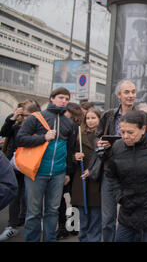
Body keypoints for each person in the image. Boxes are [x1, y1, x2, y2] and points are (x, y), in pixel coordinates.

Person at [16, 87, 77, 242]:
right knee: (33, 212)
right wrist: (43, 138)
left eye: (66, 99)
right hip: (36, 172)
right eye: (61, 97)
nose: (64, 101)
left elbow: (70, 150)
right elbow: (20, 139)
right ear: (52, 98)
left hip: (58, 173)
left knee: (53, 211)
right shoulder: (36, 118)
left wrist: (68, 172)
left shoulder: (69, 124)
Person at [96, 79, 147, 242]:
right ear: (118, 95)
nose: (131, 95)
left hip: (135, 173)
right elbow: (97, 137)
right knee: (107, 219)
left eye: (133, 92)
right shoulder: (108, 115)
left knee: (135, 218)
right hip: (110, 171)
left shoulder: (143, 117)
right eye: (127, 92)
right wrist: (101, 143)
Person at [106, 110, 147, 242]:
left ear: (143, 129)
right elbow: (111, 175)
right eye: (122, 132)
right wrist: (119, 196)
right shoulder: (117, 147)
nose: (125, 136)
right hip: (128, 209)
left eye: (130, 132)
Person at [0, 101, 40, 241]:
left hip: (31, 164)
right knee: (14, 195)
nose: (26, 118)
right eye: (24, 115)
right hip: (14, 164)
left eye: (29, 115)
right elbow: (3, 132)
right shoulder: (16, 125)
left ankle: (25, 222)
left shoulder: (38, 127)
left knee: (28, 195)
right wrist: (12, 117)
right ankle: (12, 225)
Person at [72, 107, 102, 242]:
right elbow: (70, 154)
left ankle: (93, 239)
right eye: (88, 118)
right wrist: (75, 156)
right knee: (83, 213)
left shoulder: (103, 137)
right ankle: (82, 238)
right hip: (81, 179)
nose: (90, 121)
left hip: (97, 180)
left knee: (96, 214)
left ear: (99, 119)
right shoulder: (79, 135)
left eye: (93, 118)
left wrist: (93, 170)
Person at [56, 102, 84, 240]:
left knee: (72, 198)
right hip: (66, 166)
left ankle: (70, 225)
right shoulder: (63, 123)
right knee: (64, 198)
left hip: (72, 167)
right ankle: (67, 226)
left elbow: (72, 149)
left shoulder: (76, 127)